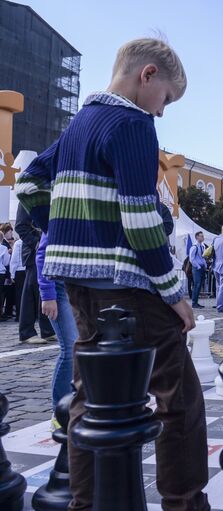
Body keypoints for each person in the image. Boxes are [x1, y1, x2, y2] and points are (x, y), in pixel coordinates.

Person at [15, 38, 209, 510]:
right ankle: (184, 502)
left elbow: (28, 182)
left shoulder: (80, 123)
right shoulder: (133, 123)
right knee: (177, 398)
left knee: (90, 400)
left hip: (79, 288)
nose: (162, 113)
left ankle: (87, 503)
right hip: (131, 288)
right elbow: (141, 218)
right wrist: (174, 291)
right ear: (147, 75)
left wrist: (62, 228)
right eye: (166, 98)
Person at [37, 232, 78, 429]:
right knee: (70, 347)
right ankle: (59, 410)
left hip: (77, 284)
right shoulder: (63, 207)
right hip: (59, 286)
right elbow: (42, 254)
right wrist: (47, 294)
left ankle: (77, 401)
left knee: (80, 347)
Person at [14, 203, 55, 344]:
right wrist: (37, 243)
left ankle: (48, 330)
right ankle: (26, 332)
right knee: (31, 291)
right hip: (34, 251)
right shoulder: (28, 195)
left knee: (45, 292)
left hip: (46, 248)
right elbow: (20, 226)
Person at [188, 231, 207, 308]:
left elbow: (202, 257)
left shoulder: (202, 246)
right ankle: (194, 303)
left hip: (202, 267)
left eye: (203, 236)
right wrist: (198, 266)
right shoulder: (194, 247)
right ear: (197, 237)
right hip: (197, 268)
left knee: (199, 285)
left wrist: (205, 265)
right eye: (201, 236)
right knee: (197, 285)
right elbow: (191, 259)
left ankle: (196, 302)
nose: (203, 237)